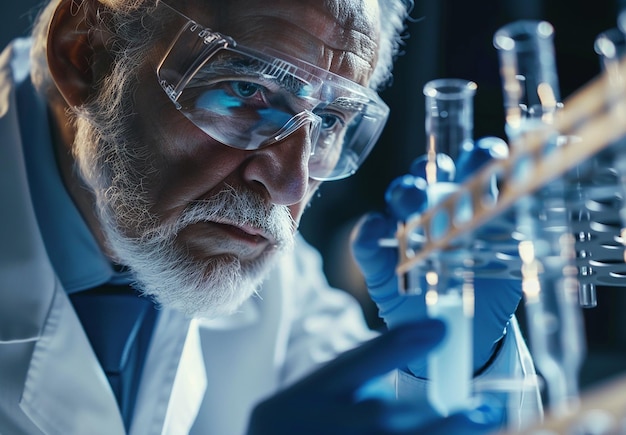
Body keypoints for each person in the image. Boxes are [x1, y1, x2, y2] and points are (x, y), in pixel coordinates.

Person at [0, 0, 541, 433]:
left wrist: (452, 366)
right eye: (245, 90)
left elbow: (380, 414)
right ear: (86, 53)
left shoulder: (260, 269)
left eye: (329, 119)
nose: (288, 184)